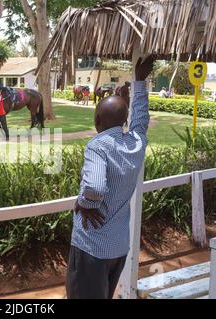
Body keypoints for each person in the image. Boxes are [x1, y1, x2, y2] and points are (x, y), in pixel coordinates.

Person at [66, 56, 154, 299]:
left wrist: (85, 203)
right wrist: (139, 81)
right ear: (124, 121)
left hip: (91, 247)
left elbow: (94, 187)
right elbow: (140, 118)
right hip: (118, 247)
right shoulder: (136, 142)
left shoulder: (98, 146)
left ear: (96, 120)